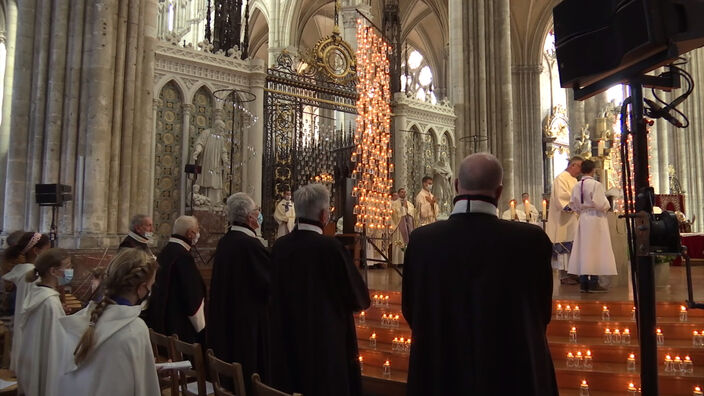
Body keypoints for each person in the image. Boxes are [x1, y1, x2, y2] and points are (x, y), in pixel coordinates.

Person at [402, 153, 557, 396]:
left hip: (440, 370)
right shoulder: (531, 240)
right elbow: (542, 312)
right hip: (514, 371)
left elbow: (411, 310)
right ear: (499, 192)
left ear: (455, 186)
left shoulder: (422, 242)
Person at [269, 184, 370, 396]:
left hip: (286, 340)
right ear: (324, 215)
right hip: (325, 343)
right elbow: (358, 298)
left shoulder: (280, 247)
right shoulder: (331, 248)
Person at [59, 248, 160, 396]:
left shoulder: (83, 319)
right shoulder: (134, 329)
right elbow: (144, 388)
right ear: (141, 288)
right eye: (151, 285)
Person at [208, 192, 270, 392]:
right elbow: (269, 284)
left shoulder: (226, 241)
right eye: (257, 212)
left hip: (227, 317)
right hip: (247, 324)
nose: (259, 215)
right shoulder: (250, 245)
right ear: (250, 217)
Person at [16, 248, 71, 396]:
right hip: (46, 365)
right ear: (53, 271)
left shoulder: (39, 293)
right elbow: (56, 345)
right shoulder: (49, 303)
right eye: (66, 266)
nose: (69, 271)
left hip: (33, 362)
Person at [144, 215, 206, 343]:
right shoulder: (183, 257)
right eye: (197, 230)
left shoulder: (166, 251)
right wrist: (202, 329)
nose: (198, 234)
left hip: (163, 322)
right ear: (190, 234)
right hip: (179, 326)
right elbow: (192, 297)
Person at [1, 232, 50, 372]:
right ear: (36, 250)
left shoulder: (23, 270)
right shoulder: (32, 274)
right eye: (47, 250)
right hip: (29, 327)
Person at [567, 160, 617, 293]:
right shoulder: (596, 185)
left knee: (584, 249)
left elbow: (572, 204)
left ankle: (584, 282)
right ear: (593, 170)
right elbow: (601, 203)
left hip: (583, 218)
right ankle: (594, 282)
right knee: (595, 249)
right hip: (596, 218)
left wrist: (581, 211)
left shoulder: (577, 185)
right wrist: (607, 206)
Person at [545, 156, 583, 285]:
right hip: (563, 219)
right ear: (573, 165)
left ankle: (573, 272)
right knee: (564, 246)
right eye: (579, 167)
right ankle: (564, 275)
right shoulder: (561, 178)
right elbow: (561, 197)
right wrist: (575, 205)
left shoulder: (573, 179)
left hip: (573, 218)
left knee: (573, 246)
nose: (580, 170)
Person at [192, 118, 230, 206]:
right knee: (206, 179)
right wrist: (197, 151)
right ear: (216, 126)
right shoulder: (207, 133)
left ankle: (216, 201)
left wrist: (225, 160)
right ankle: (204, 199)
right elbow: (200, 143)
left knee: (216, 181)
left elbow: (223, 151)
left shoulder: (221, 138)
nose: (222, 130)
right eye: (221, 128)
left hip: (217, 164)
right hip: (207, 162)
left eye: (223, 129)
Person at [391, 188, 415, 265]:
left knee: (406, 243)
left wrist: (406, 208)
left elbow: (412, 213)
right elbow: (395, 215)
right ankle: (397, 262)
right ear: (398, 193)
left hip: (407, 227)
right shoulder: (394, 204)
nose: (403, 193)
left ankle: (405, 261)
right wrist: (404, 208)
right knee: (398, 243)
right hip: (398, 227)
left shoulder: (409, 204)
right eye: (402, 192)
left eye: (405, 192)